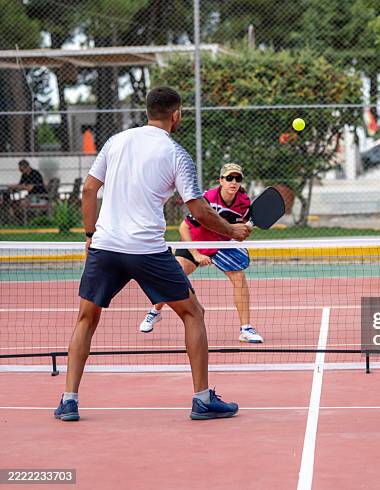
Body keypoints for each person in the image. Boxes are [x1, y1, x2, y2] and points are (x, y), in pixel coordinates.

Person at [54, 86, 251, 422]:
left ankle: (69, 400)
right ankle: (202, 400)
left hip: (105, 247)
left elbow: (89, 189)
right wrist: (232, 231)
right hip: (147, 250)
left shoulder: (115, 141)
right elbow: (200, 212)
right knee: (193, 314)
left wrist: (90, 234)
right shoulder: (177, 154)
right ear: (175, 115)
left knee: (86, 318)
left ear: (148, 111)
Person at [139, 163, 264, 343]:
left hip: (220, 245)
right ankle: (155, 311)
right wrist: (196, 254)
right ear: (221, 180)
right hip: (195, 241)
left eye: (237, 178)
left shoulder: (244, 203)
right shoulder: (207, 199)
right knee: (175, 275)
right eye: (229, 178)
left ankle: (246, 329)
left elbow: (237, 229)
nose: (233, 182)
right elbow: (184, 227)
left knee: (239, 278)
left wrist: (242, 233)